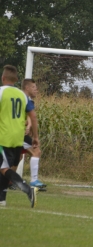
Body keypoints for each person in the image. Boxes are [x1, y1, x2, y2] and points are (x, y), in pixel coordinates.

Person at [0, 65, 39, 207]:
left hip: (3, 138)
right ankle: (2, 199)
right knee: (7, 168)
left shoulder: (1, 92)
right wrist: (35, 137)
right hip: (18, 138)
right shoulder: (22, 95)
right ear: (16, 80)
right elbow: (33, 116)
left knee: (4, 169)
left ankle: (27, 189)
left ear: (3, 78)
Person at [20, 78, 46, 189]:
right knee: (36, 151)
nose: (36, 90)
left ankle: (8, 181)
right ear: (27, 88)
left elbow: (28, 116)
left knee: (18, 157)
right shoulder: (23, 99)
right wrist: (29, 126)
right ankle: (34, 180)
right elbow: (32, 117)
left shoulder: (24, 99)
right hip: (18, 134)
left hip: (14, 133)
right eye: (34, 88)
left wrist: (29, 125)